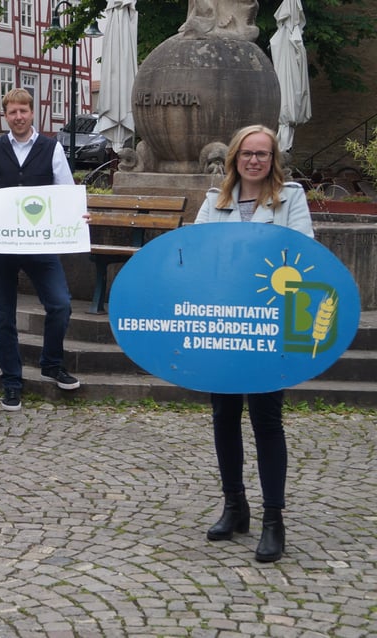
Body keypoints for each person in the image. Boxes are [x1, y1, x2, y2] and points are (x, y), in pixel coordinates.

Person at [195, 124, 313, 563]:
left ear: (273, 159)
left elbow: (303, 253)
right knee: (224, 416)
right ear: (235, 158)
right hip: (223, 323)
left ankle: (273, 520)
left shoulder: (290, 199)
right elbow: (197, 254)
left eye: (263, 154)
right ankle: (235, 506)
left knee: (267, 420)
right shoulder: (215, 200)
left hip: (268, 325)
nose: (254, 160)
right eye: (247, 153)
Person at [0, 88, 81, 411]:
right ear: (5, 116)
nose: (18, 117)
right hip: (3, 243)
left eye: (23, 111)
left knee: (60, 304)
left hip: (41, 242)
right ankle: (11, 381)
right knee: (4, 316)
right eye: (12, 112)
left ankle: (51, 363)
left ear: (32, 113)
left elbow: (66, 192)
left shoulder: (51, 148)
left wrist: (78, 214)